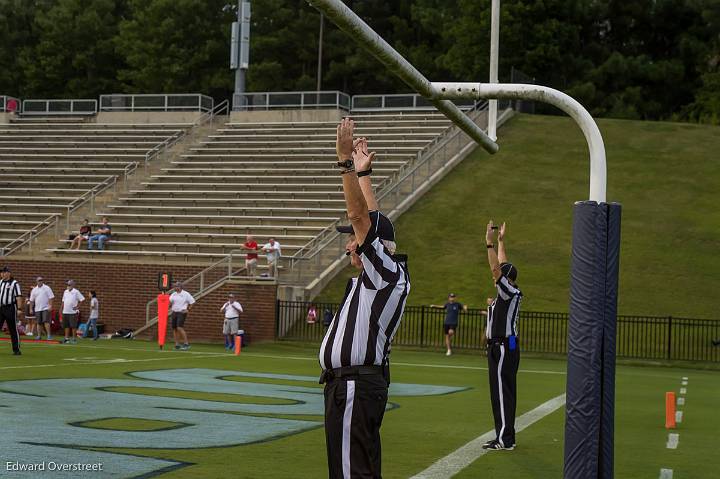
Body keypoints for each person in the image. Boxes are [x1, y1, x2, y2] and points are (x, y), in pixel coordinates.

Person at [319, 118, 410, 478]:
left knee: (350, 473)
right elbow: (371, 222)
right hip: (353, 385)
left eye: (354, 239)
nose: (349, 244)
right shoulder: (384, 272)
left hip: (354, 385)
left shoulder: (384, 272)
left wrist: (344, 162)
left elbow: (361, 218)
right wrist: (364, 176)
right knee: (361, 469)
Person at [482, 221, 523, 451]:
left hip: (503, 346)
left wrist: (488, 242)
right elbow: (503, 266)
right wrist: (500, 241)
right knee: (500, 392)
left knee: (501, 393)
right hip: (504, 346)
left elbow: (497, 270)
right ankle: (504, 435)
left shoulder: (508, 291)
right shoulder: (510, 291)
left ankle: (505, 439)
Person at [0, 266, 23, 355]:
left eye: (4, 272)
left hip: (10, 308)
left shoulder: (14, 283)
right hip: (1, 307)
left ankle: (16, 349)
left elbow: (18, 297)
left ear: (9, 273)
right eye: (2, 272)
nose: (2, 274)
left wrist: (19, 308)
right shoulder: (1, 282)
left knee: (12, 329)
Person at [169, 282, 195, 350]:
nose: (175, 288)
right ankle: (177, 344)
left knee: (179, 327)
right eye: (174, 286)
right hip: (174, 312)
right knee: (174, 328)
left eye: (176, 286)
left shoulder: (186, 294)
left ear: (180, 287)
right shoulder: (173, 294)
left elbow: (192, 302)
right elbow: (170, 303)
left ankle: (186, 344)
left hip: (181, 312)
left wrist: (188, 309)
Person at [61, 280, 85, 344]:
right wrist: (61, 309)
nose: (68, 286)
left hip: (72, 312)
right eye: (67, 285)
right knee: (66, 326)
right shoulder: (65, 292)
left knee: (73, 326)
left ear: (72, 285)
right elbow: (63, 301)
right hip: (65, 311)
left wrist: (77, 307)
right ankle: (67, 338)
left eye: (69, 285)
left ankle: (74, 339)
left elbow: (82, 299)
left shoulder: (76, 292)